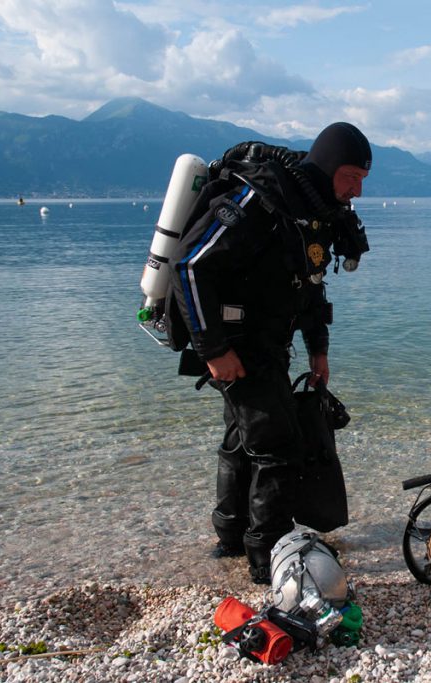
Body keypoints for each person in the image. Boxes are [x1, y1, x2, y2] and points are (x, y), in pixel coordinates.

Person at [170, 122, 372, 583]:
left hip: (268, 344)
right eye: (350, 177)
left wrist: (318, 351)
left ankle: (231, 536)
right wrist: (213, 349)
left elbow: (311, 285)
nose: (356, 190)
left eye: (362, 179)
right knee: (278, 446)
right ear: (327, 167)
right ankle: (270, 560)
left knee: (245, 440)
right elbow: (190, 267)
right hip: (235, 346)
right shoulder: (259, 199)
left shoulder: (313, 212)